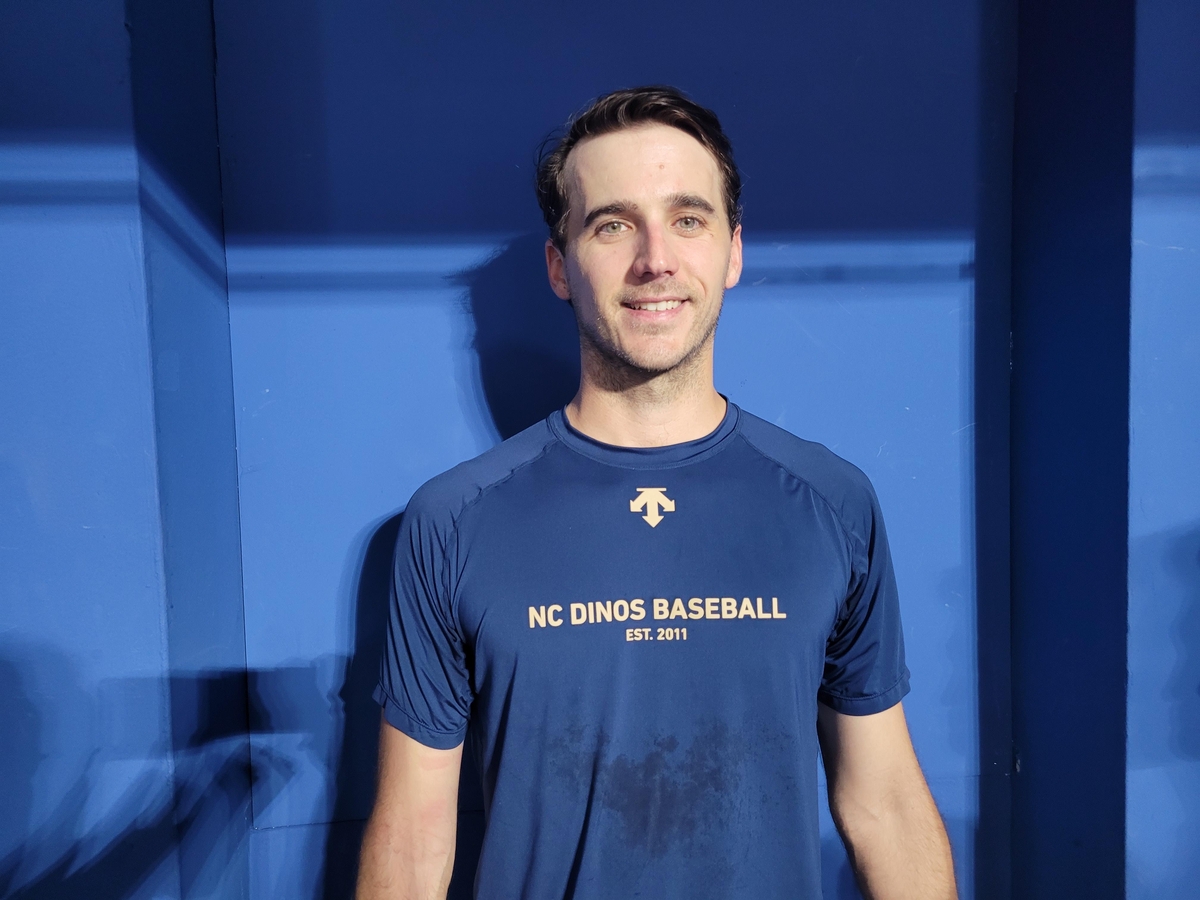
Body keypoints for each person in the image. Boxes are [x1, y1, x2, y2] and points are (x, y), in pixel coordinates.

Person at [356, 86, 957, 900]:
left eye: (688, 219)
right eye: (612, 224)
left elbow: (882, 801)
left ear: (733, 252)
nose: (655, 260)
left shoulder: (831, 502)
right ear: (559, 265)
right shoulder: (453, 521)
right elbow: (415, 837)